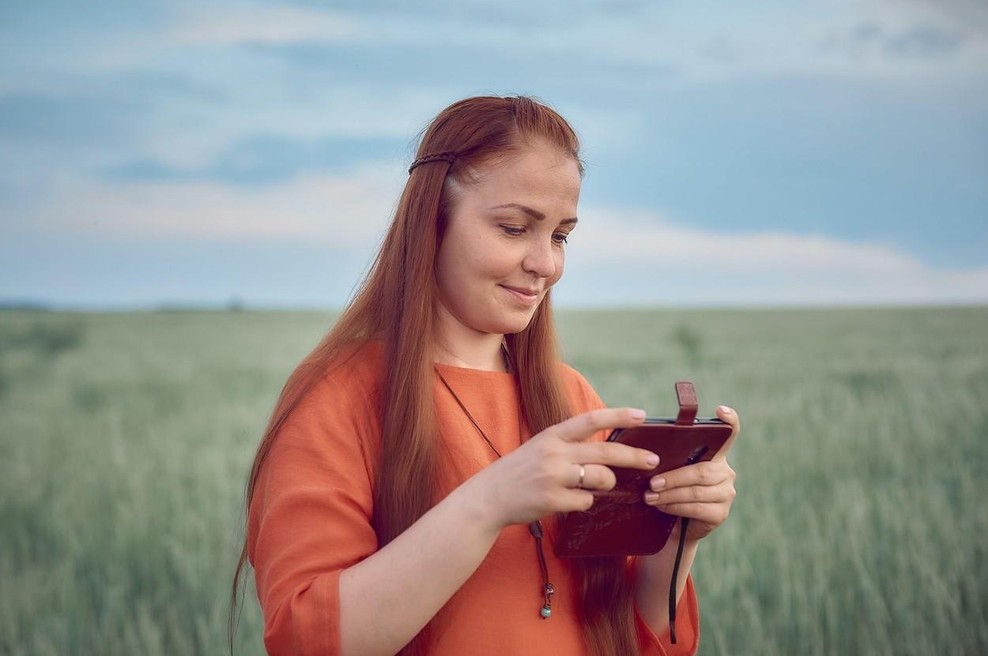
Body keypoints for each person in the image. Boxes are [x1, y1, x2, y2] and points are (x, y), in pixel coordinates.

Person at [231, 95, 739, 656]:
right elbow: (307, 639)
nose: (546, 264)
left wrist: (677, 538)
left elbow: (630, 635)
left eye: (560, 236)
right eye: (515, 228)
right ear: (432, 221)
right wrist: (488, 503)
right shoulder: (336, 395)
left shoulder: (570, 396)